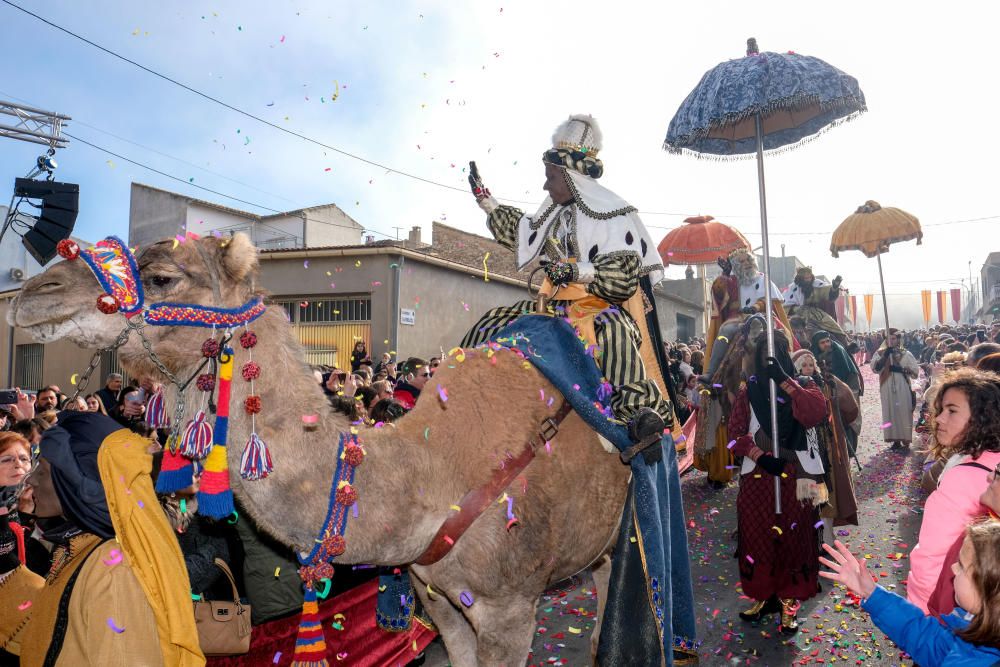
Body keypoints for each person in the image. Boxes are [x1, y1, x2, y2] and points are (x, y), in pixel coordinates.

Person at [462, 114, 676, 452]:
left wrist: (576, 272)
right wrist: (485, 200)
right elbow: (520, 230)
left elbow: (622, 279)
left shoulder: (614, 214)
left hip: (596, 305)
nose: (546, 186)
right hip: (554, 304)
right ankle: (464, 392)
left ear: (570, 176)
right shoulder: (554, 213)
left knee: (615, 330)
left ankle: (639, 416)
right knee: (493, 321)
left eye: (550, 177)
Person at [0, 411, 203, 666]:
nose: (31, 478)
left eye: (45, 468)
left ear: (79, 480)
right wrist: (6, 567)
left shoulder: (114, 567)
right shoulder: (85, 545)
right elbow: (54, 629)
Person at [729, 330, 828, 634]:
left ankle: (789, 601)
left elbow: (815, 413)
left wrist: (785, 379)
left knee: (797, 540)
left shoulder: (807, 385)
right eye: (764, 355)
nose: (768, 359)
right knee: (757, 536)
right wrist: (760, 455)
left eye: (777, 353)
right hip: (760, 475)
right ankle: (764, 595)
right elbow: (734, 434)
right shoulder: (750, 390)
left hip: (801, 475)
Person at [819, 523, 1000, 665]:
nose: (953, 568)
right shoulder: (973, 625)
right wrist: (873, 594)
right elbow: (926, 639)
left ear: (986, 586)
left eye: (960, 565)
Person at [906, 368, 1000, 614]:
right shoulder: (992, 463)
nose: (939, 418)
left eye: (952, 410)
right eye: (942, 409)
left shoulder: (963, 476)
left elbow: (932, 555)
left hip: (947, 607)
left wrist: (920, 612)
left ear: (982, 418)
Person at [869, 329, 919, 451]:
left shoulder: (906, 353)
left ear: (898, 339)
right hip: (886, 386)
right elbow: (875, 368)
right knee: (890, 411)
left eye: (893, 338)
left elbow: (915, 372)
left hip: (902, 385)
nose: (891, 341)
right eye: (888, 338)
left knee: (904, 410)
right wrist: (886, 355)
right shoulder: (880, 353)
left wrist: (900, 369)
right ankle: (895, 440)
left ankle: (905, 438)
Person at [784, 268, 849, 347]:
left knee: (835, 327)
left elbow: (828, 294)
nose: (808, 280)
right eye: (806, 278)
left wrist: (834, 288)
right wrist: (796, 309)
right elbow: (785, 305)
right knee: (791, 331)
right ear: (800, 278)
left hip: (817, 314)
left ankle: (846, 347)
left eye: (809, 278)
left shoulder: (817, 284)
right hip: (797, 316)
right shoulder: (792, 288)